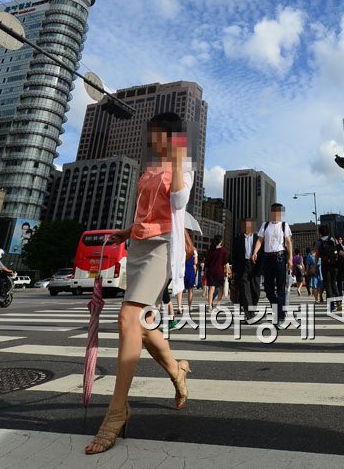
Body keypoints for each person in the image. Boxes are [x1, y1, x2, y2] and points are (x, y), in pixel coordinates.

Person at [85, 112, 194, 455]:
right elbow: (142, 213)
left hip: (162, 248)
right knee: (144, 329)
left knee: (127, 319)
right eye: (152, 136)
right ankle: (177, 371)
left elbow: (177, 203)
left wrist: (177, 159)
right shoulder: (147, 170)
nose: (153, 141)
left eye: (160, 136)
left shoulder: (184, 166)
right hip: (139, 246)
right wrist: (125, 231)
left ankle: (117, 411)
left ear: (173, 139)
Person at [252, 203, 293, 328]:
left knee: (280, 288)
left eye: (278, 211)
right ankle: (279, 309)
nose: (276, 214)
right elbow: (259, 240)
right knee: (269, 289)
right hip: (267, 259)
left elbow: (288, 242)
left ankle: (279, 317)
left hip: (280, 258)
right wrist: (255, 252)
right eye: (274, 211)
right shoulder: (265, 225)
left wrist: (290, 258)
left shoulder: (284, 226)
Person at [232, 218, 261, 321]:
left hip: (255, 266)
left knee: (256, 291)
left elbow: (262, 254)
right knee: (245, 291)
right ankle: (250, 315)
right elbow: (234, 256)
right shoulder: (237, 239)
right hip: (242, 266)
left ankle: (251, 311)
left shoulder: (258, 238)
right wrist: (234, 271)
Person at [314, 225, 339, 300]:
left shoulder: (318, 242)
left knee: (328, 285)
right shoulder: (334, 239)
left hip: (325, 265)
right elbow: (338, 250)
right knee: (334, 283)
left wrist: (315, 266)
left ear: (320, 232)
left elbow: (316, 255)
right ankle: (339, 304)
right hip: (335, 265)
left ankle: (331, 306)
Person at [204, 235, 228, 310]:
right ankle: (218, 304)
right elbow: (225, 262)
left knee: (211, 288)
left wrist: (205, 273)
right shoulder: (223, 251)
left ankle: (210, 306)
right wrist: (227, 271)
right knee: (220, 288)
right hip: (219, 271)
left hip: (210, 271)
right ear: (221, 241)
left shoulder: (210, 250)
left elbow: (206, 263)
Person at [177, 230, 197, 315]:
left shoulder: (180, 247)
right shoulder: (193, 249)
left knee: (180, 289)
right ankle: (189, 306)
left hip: (181, 269)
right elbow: (195, 262)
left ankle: (179, 306)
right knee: (190, 289)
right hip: (190, 270)